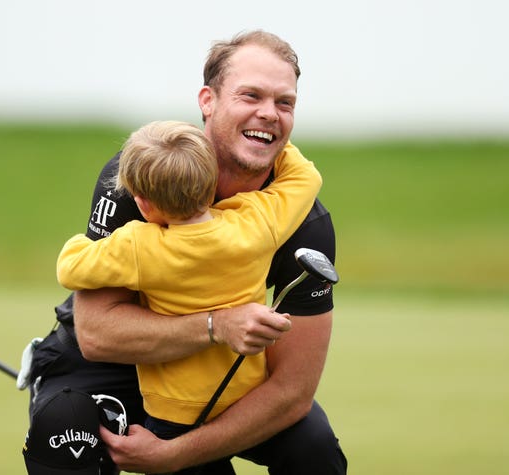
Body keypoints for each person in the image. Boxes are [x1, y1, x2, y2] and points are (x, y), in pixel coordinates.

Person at [26, 29, 347, 474]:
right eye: (250, 95)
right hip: (118, 362)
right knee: (65, 430)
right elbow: (98, 334)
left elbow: (292, 391)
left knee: (313, 449)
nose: (268, 113)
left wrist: (171, 455)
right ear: (207, 100)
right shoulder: (142, 172)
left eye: (284, 102)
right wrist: (217, 324)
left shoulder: (304, 221)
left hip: (221, 377)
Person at [56, 119, 322, 435]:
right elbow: (306, 177)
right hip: (242, 395)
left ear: (142, 203)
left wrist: (84, 241)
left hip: (171, 412)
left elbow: (70, 267)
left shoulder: (139, 245)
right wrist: (269, 141)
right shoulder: (255, 223)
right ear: (212, 189)